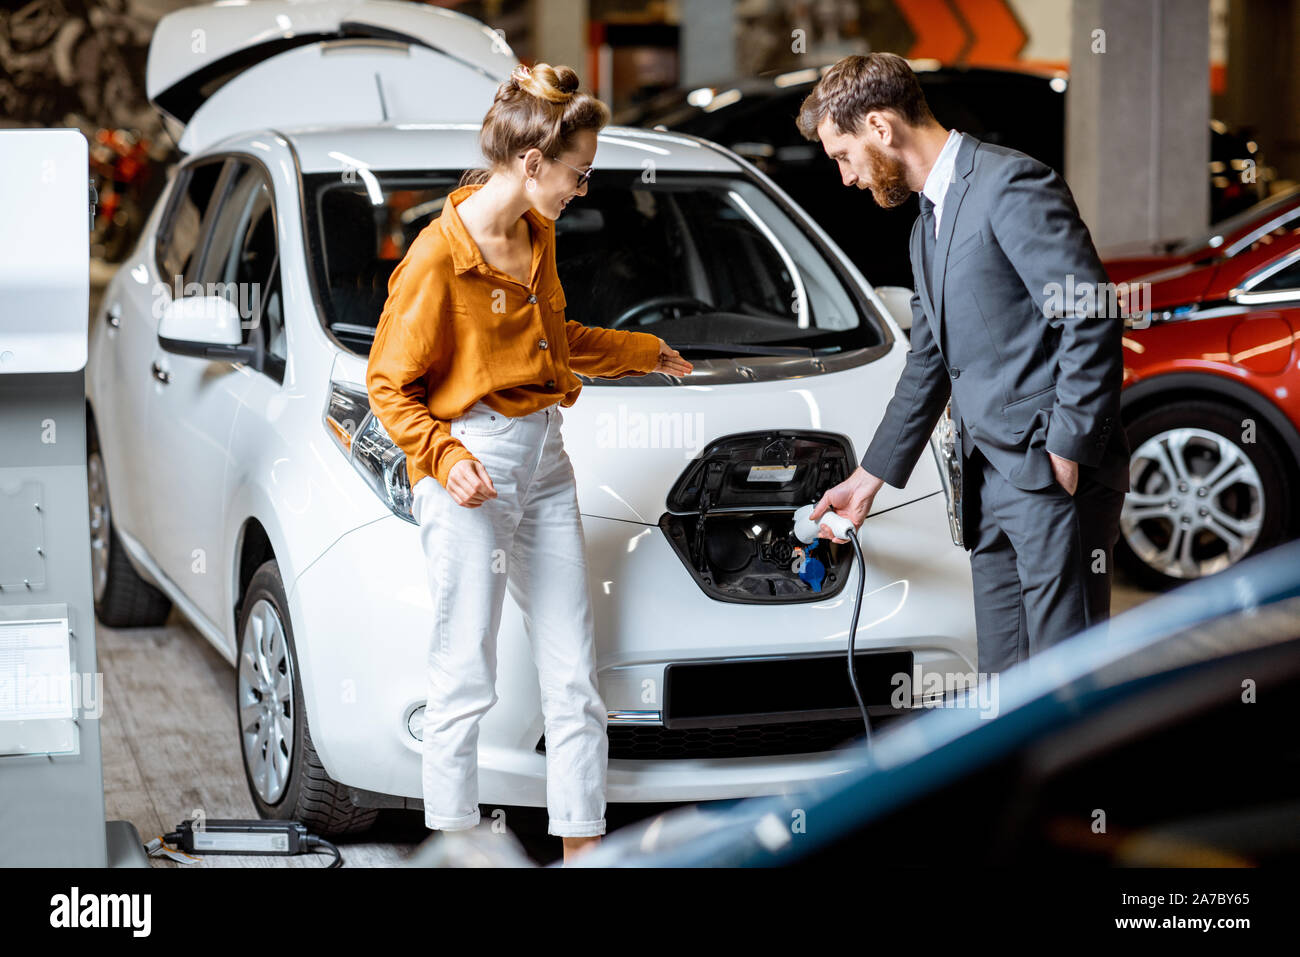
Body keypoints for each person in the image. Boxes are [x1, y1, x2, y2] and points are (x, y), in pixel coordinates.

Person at [365, 62, 693, 862]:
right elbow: (385, 382)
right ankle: (455, 849)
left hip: (546, 457)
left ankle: (583, 849)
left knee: (574, 674)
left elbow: (554, 339)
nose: (584, 189)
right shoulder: (437, 262)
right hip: (473, 465)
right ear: (533, 163)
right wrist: (443, 459)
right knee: (464, 675)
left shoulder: (536, 234)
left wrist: (643, 351)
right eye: (578, 174)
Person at [796, 53, 1129, 676]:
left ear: (880, 127)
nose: (845, 177)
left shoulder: (1012, 184)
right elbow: (929, 362)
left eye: (843, 155)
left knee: (1067, 681)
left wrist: (1068, 448)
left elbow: (1091, 315)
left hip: (1050, 478)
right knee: (1004, 685)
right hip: (986, 484)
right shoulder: (927, 224)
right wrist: (867, 480)